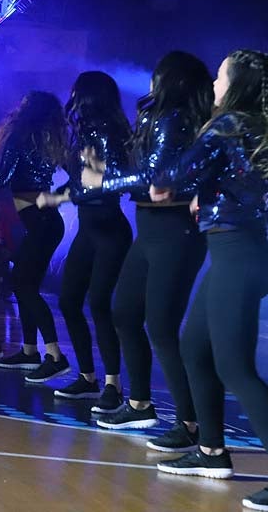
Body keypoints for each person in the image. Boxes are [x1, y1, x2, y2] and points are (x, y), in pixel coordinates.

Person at [150, 50, 268, 512]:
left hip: (239, 252)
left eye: (220, 77)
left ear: (235, 84)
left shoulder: (227, 124)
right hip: (235, 252)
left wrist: (162, 181)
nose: (214, 85)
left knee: (235, 366)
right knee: (194, 346)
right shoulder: (251, 127)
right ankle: (212, 450)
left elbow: (171, 175)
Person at [79, 52, 212, 445]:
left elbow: (157, 178)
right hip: (151, 228)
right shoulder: (166, 117)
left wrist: (102, 180)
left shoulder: (174, 118)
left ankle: (189, 425)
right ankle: (139, 405)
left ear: (170, 79)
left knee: (161, 327)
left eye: (157, 75)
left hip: (174, 230)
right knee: (124, 311)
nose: (150, 82)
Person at [37, 72, 132, 409]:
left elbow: (114, 180)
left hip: (108, 228)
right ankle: (89, 378)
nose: (71, 95)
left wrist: (74, 190)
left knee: (99, 304)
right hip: (90, 228)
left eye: (76, 90)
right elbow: (82, 181)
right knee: (69, 300)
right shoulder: (86, 132)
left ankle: (112, 386)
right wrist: (56, 196)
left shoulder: (108, 131)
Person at [0, 92, 71, 380]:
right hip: (46, 222)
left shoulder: (18, 137)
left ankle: (54, 355)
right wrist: (56, 197)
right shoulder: (47, 140)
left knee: (24, 286)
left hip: (39, 222)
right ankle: (28, 351)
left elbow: (3, 178)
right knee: (25, 284)